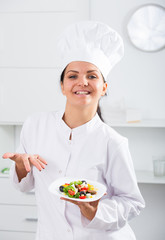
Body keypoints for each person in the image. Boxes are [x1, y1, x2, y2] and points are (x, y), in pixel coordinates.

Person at [3, 21, 145, 240]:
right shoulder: (35, 125)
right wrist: (22, 168)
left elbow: (132, 201)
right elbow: (23, 186)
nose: (82, 82)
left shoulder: (112, 142)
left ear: (104, 87)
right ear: (62, 86)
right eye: (72, 76)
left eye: (92, 75)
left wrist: (95, 211)